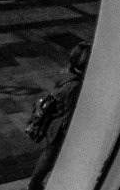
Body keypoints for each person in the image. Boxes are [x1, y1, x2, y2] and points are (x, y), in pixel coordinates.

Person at [28, 41, 92, 190]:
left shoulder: (68, 69)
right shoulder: (74, 86)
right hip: (58, 130)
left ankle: (34, 185)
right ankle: (33, 186)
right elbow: (69, 114)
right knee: (48, 159)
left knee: (47, 157)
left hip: (53, 122)